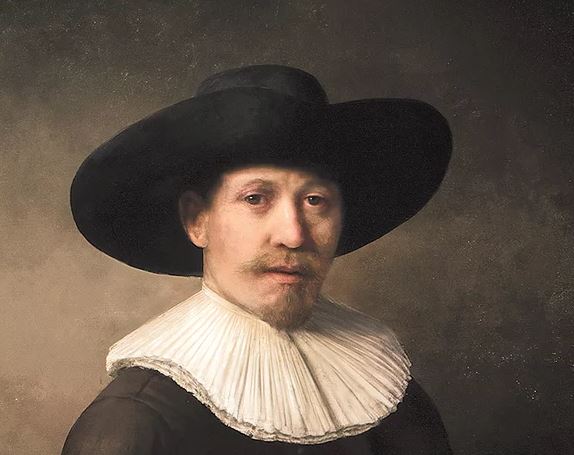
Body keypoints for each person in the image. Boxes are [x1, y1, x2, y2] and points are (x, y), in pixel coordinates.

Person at [63, 65, 453, 454]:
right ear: (197, 220)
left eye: (314, 201)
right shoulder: (130, 422)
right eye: (256, 199)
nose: (293, 235)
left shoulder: (386, 393)